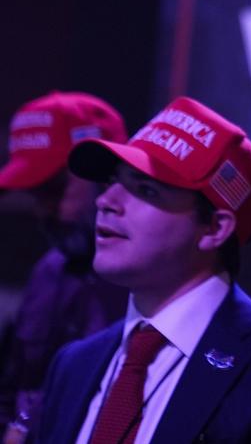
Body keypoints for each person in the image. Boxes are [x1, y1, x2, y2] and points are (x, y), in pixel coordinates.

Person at [33, 96, 251, 443]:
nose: (106, 202)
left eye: (145, 189)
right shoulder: (73, 366)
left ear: (215, 229)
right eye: (111, 183)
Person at [0, 92, 129, 443]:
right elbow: (13, 390)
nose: (43, 210)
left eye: (53, 189)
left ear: (106, 174)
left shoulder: (154, 281)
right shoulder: (47, 273)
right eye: (34, 193)